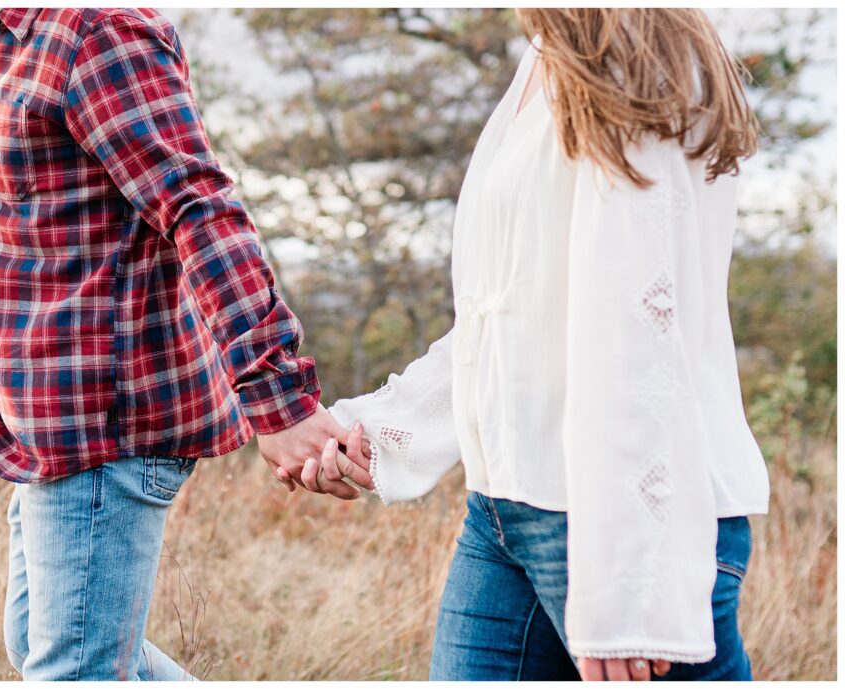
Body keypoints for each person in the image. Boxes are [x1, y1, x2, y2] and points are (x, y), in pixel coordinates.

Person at [325, 8, 770, 682]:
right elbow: (513, 311)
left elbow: (634, 321)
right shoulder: (545, 54)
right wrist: (384, 427)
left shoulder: (632, 43)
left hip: (621, 522)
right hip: (508, 508)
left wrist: (626, 586)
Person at [0, 8, 370, 681]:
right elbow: (22, 214)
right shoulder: (7, 33)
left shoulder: (95, 32)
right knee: (43, 645)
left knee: (75, 668)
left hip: (104, 427)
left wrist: (278, 399)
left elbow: (200, 210)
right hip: (50, 417)